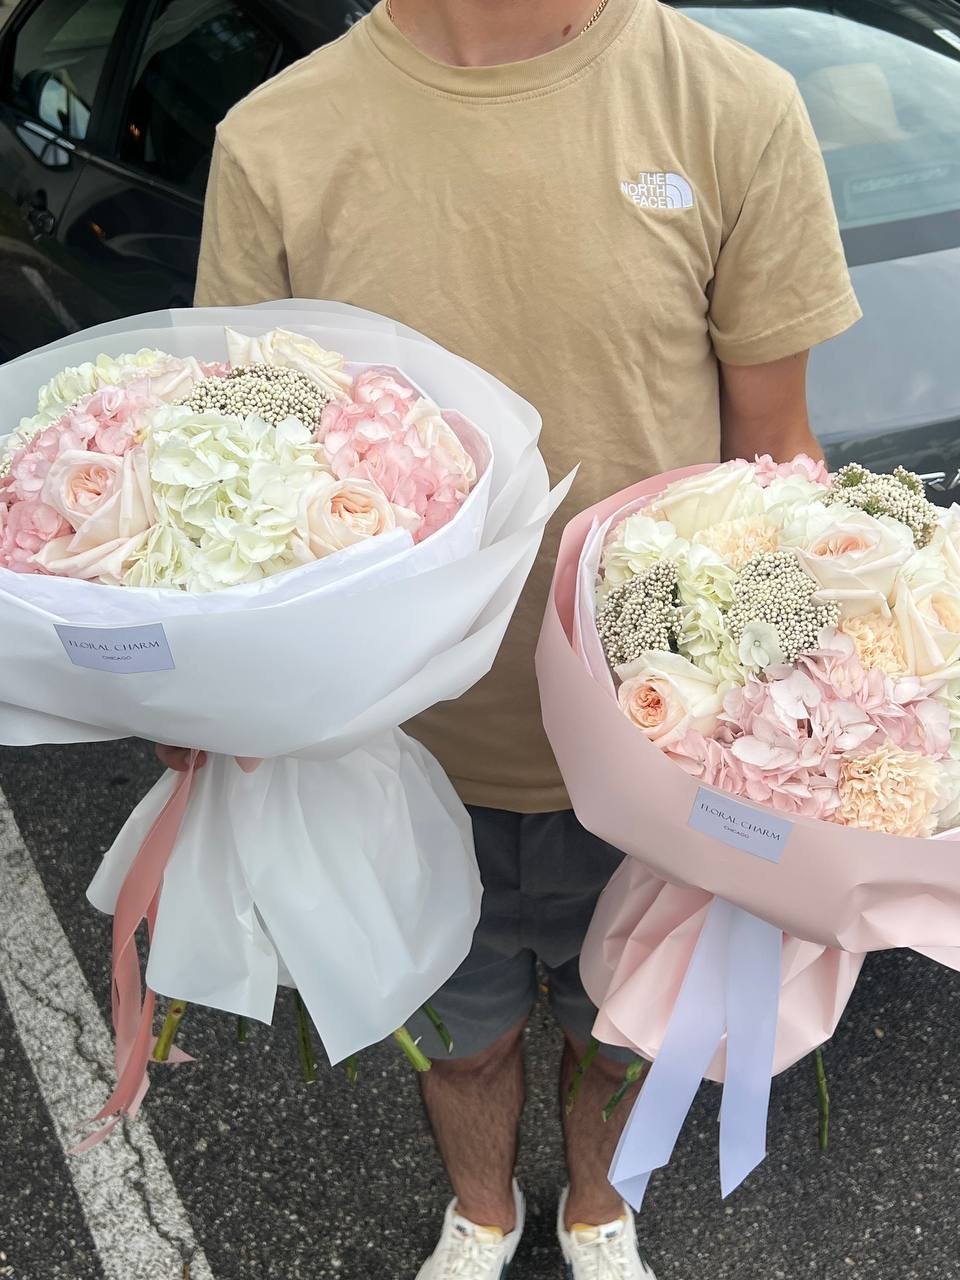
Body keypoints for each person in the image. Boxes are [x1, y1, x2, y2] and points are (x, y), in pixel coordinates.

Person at [162, 1, 862, 1274]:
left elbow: (777, 458)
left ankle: (598, 1211)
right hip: (393, 753)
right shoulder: (275, 137)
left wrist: (828, 705)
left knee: (623, 1032)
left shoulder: (730, 102)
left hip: (663, 756)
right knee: (464, 1033)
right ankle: (483, 1212)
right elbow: (246, 477)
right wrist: (201, 680)